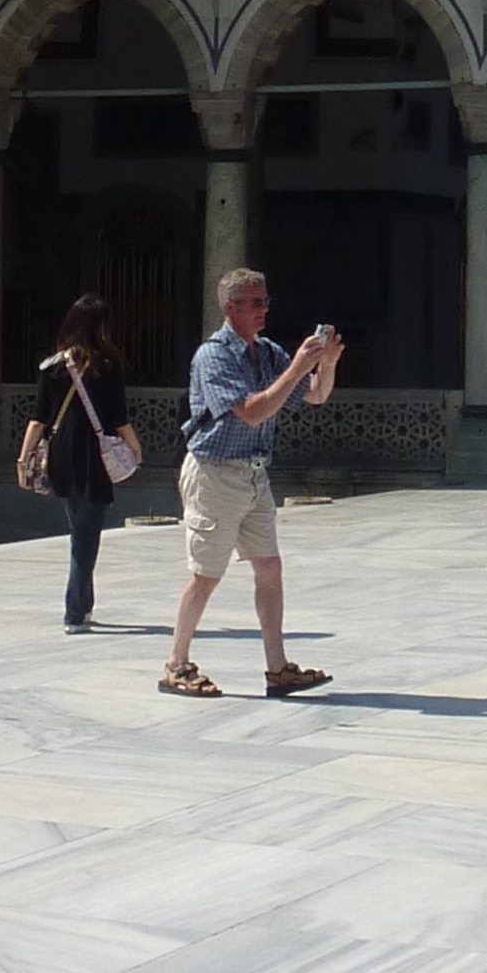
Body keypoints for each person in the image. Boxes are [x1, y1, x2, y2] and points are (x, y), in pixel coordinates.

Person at [165, 268, 342, 698]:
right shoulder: (214, 356)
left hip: (253, 472)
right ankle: (176, 664)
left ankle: (277, 667)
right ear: (231, 308)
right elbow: (252, 411)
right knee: (206, 574)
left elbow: (315, 395)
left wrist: (326, 364)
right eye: (255, 303)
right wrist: (299, 365)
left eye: (265, 301)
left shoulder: (266, 352)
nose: (264, 310)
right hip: (214, 472)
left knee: (269, 566)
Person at [21, 293, 133, 634]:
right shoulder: (108, 366)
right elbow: (118, 418)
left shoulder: (53, 367)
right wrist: (135, 447)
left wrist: (24, 457)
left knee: (80, 531)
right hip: (93, 454)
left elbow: (38, 419)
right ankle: (74, 611)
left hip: (61, 453)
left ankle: (83, 605)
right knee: (86, 535)